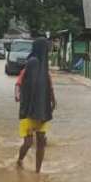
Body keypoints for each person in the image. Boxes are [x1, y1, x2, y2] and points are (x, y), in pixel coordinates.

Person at [15, 37, 57, 172]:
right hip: (28, 110)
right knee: (28, 143)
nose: (49, 50)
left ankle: (38, 172)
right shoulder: (31, 63)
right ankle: (20, 160)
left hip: (42, 110)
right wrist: (17, 93)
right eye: (47, 48)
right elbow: (19, 82)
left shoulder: (44, 67)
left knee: (41, 142)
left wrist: (53, 99)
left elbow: (48, 85)